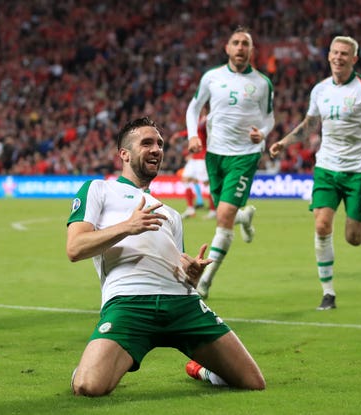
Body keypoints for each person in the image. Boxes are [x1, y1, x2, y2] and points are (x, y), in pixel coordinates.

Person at [66, 117, 265, 397]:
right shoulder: (99, 189)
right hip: (129, 302)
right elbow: (75, 248)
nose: (157, 149)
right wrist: (127, 226)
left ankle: (201, 370)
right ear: (124, 153)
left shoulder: (170, 214)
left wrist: (191, 275)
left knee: (253, 381)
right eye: (146, 143)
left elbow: (181, 272)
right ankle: (88, 366)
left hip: (182, 304)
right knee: (88, 386)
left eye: (159, 144)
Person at [269, 36, 361, 311]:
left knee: (353, 237)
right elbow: (310, 123)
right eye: (335, 52)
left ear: (354, 59)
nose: (339, 57)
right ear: (328, 56)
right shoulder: (320, 90)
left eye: (345, 54)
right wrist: (285, 141)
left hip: (359, 171)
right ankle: (328, 293)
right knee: (322, 225)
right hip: (326, 167)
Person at [185, 26, 275, 299]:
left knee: (222, 217)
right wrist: (192, 135)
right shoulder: (212, 77)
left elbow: (269, 117)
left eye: (245, 43)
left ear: (251, 50)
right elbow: (193, 107)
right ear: (227, 48)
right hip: (215, 154)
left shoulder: (262, 83)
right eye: (235, 43)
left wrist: (264, 133)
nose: (239, 47)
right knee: (228, 212)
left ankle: (205, 283)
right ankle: (244, 216)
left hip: (245, 154)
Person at [169, 117, 216, 220]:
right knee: (185, 178)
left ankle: (213, 211)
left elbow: (198, 128)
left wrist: (179, 134)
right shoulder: (197, 122)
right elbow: (193, 131)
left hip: (202, 158)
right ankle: (190, 209)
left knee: (207, 184)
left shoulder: (205, 121)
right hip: (195, 158)